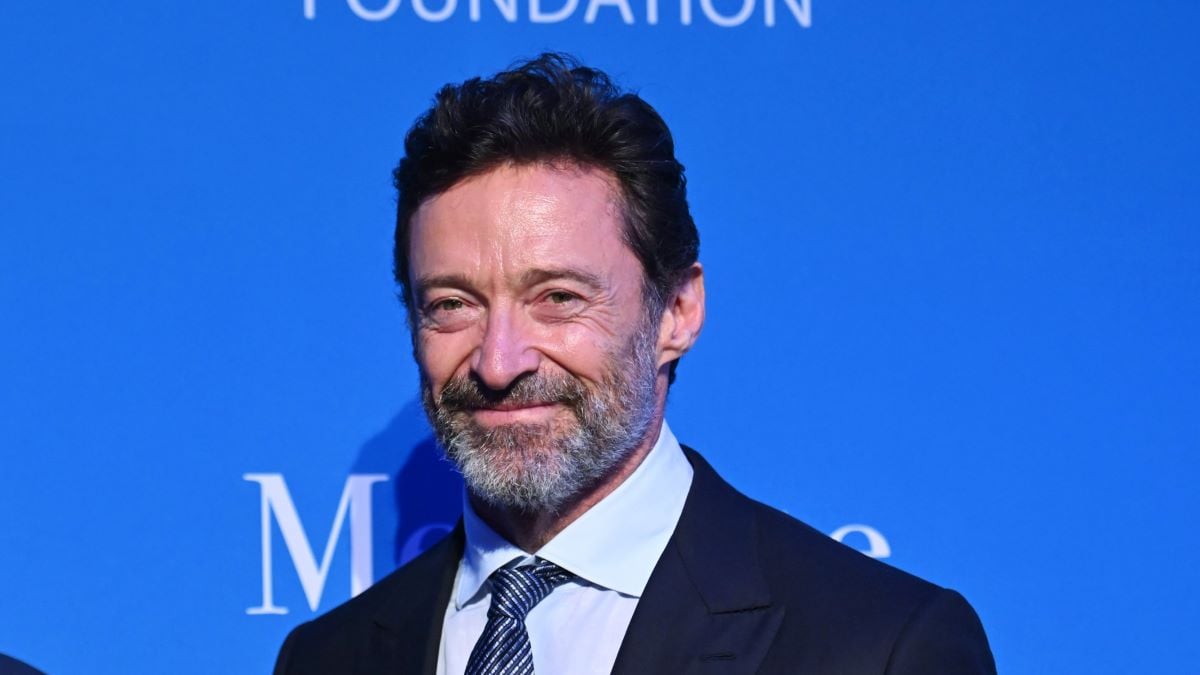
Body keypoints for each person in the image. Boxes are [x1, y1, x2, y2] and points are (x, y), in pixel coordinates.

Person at [273, 52, 996, 675]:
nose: (498, 361)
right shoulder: (326, 656)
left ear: (677, 311)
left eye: (556, 296)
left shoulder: (880, 647)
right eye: (452, 304)